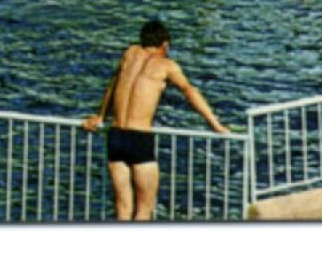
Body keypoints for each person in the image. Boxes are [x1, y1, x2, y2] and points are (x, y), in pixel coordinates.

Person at [83, 19, 230, 221]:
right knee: (144, 210)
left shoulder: (129, 54)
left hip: (116, 136)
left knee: (123, 209)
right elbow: (190, 92)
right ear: (165, 44)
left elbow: (114, 85)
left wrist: (101, 115)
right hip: (139, 138)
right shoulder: (166, 66)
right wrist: (216, 125)